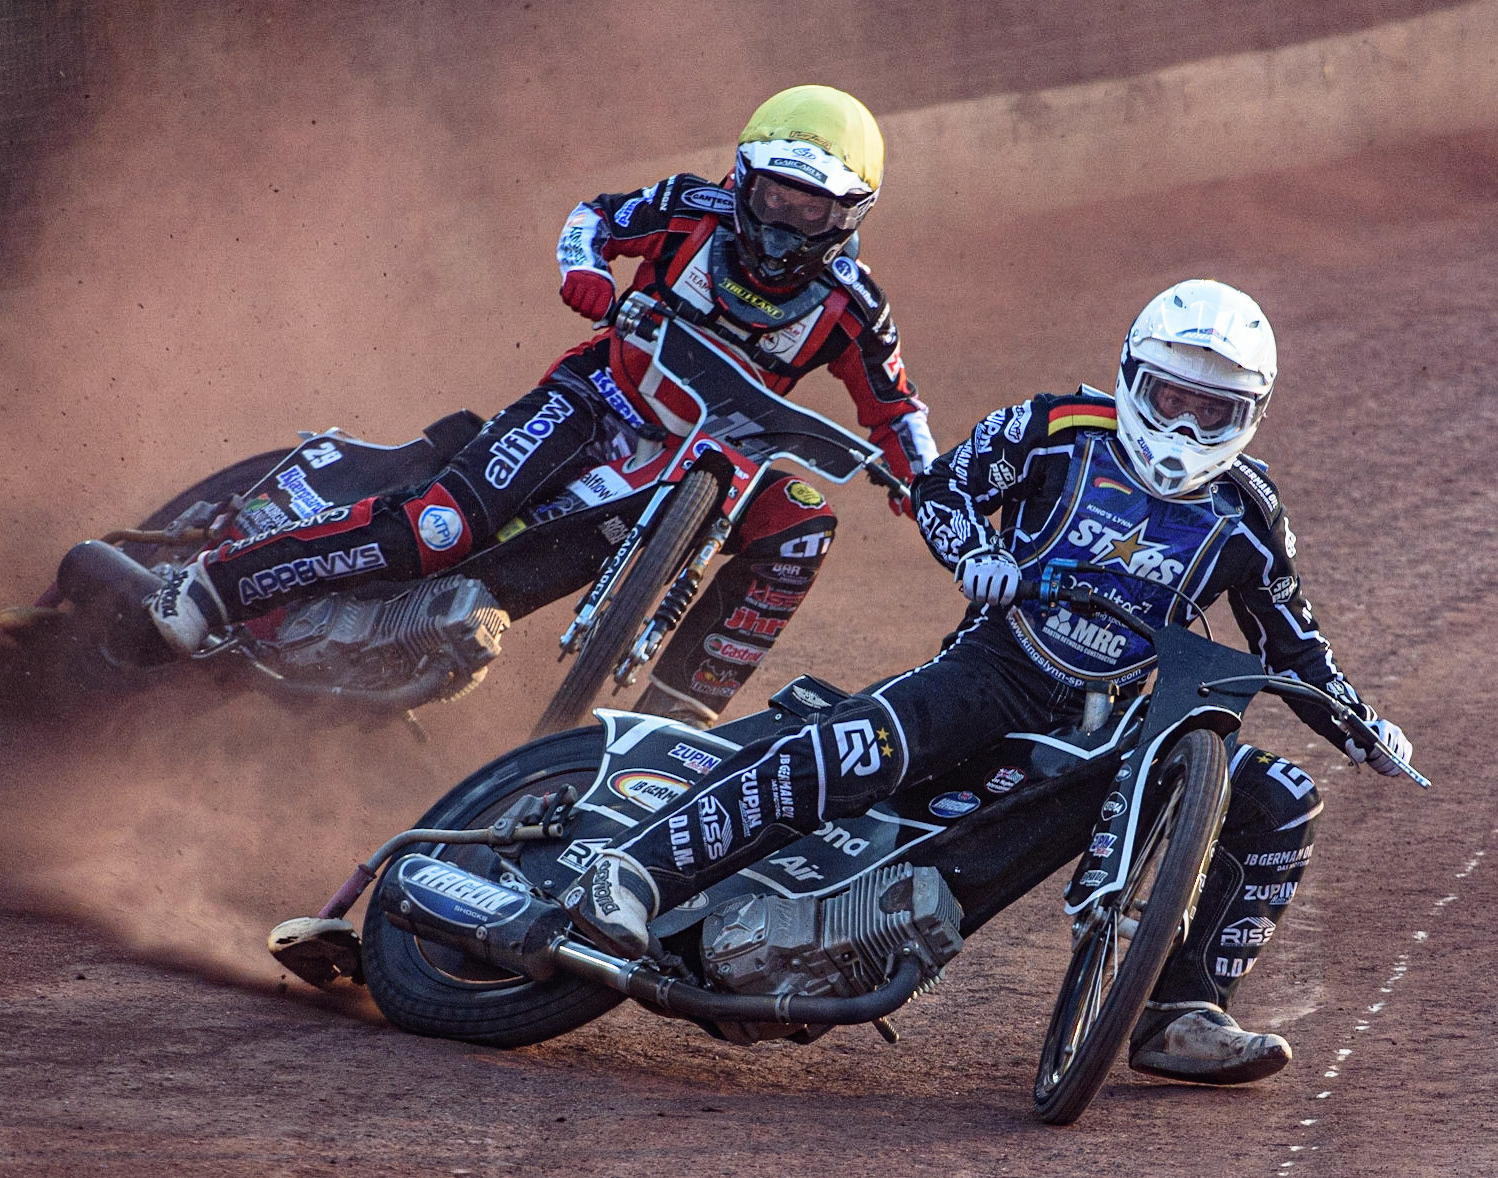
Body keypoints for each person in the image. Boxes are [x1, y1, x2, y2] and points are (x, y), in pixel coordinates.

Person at [566, 279, 1415, 1085]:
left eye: (1213, 411)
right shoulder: (1053, 427)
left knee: (1283, 799)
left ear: (1249, 418)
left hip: (1123, 724)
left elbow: (1293, 643)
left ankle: (1182, 1012)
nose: (1185, 428)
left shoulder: (1250, 517)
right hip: (997, 667)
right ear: (1132, 378)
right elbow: (943, 489)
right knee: (855, 749)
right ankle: (635, 870)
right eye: (1169, 399)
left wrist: (1362, 727)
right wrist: (977, 555)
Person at [146, 85, 936, 727]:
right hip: (595, 401)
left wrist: (928, 485)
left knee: (803, 526)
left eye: (810, 209)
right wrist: (584, 268)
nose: (780, 224)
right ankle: (218, 582)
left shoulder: (853, 308)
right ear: (742, 178)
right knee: (442, 527)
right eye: (770, 196)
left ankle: (676, 725)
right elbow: (592, 217)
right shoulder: (688, 209)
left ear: (851, 214)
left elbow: (896, 412)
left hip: (707, 463)